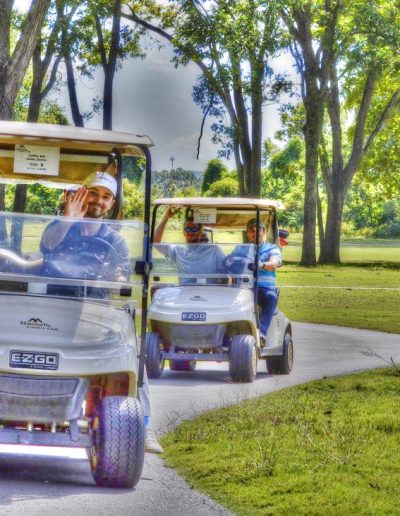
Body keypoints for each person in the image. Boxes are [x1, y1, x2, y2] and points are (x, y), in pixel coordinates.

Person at [40, 171, 163, 454]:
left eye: (105, 196)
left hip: (95, 312)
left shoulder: (115, 240)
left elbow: (120, 275)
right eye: (93, 193)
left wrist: (116, 279)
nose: (98, 200)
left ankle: (143, 426)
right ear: (81, 194)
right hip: (53, 308)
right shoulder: (60, 226)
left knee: (133, 353)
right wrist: (68, 219)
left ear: (111, 204)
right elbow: (47, 246)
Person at [226, 218, 282, 346]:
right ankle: (226, 336)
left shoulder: (271, 248)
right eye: (251, 230)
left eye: (258, 230)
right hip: (244, 287)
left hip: (263, 288)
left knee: (271, 297)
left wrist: (260, 265)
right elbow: (229, 261)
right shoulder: (241, 249)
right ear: (247, 233)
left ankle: (261, 333)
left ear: (264, 231)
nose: (255, 233)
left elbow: (274, 263)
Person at [154, 206, 225, 282]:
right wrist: (166, 218)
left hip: (208, 288)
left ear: (200, 232)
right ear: (184, 232)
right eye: (187, 229)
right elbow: (155, 242)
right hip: (185, 288)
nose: (190, 232)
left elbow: (226, 270)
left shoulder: (214, 250)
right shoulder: (177, 250)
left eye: (194, 229)